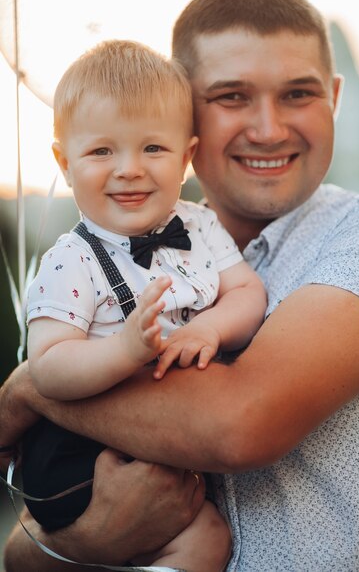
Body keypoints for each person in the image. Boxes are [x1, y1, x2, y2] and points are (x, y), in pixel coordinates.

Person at [2, 0, 359, 572]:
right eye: (231, 96)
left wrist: (30, 388)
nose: (269, 128)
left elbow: (241, 425)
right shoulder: (96, 254)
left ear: (334, 97)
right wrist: (82, 543)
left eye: (299, 94)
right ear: (186, 110)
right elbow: (19, 557)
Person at [9, 39, 268, 571]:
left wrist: (211, 329)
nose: (129, 169)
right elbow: (49, 370)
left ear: (187, 156)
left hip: (169, 432)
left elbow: (246, 291)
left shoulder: (198, 224)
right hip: (79, 453)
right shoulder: (70, 261)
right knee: (199, 533)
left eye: (153, 148)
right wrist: (125, 349)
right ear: (63, 160)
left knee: (208, 541)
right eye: (102, 151)